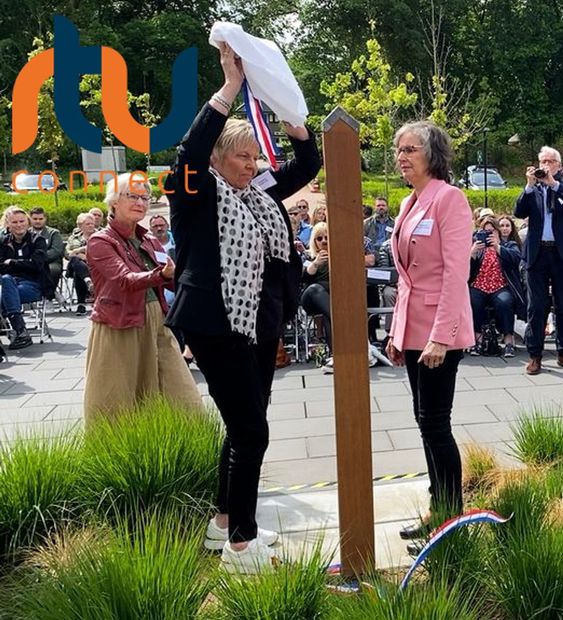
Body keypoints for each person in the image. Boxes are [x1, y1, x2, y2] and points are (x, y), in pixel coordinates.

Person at [164, 42, 320, 574]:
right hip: (217, 325)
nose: (251, 165)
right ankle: (241, 546)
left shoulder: (258, 193)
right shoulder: (193, 190)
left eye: (255, 157)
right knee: (253, 431)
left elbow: (309, 162)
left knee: (242, 426)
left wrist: (291, 113)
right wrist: (231, 87)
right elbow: (187, 154)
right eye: (241, 156)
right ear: (217, 159)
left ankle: (225, 522)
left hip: (258, 328)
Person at [384, 120, 475, 544]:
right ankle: (437, 508)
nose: (402, 157)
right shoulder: (408, 203)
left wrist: (440, 335)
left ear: (433, 154)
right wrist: (397, 332)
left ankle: (449, 518)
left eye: (410, 150)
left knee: (436, 423)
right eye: (399, 150)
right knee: (425, 423)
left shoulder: (448, 199)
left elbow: (456, 274)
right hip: (414, 330)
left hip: (441, 332)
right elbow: (407, 278)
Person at [83, 173, 201, 421]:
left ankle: (191, 449)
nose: (141, 202)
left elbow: (168, 277)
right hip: (119, 324)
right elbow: (124, 279)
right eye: (133, 196)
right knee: (117, 402)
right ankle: (115, 456)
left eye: (145, 198)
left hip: (157, 321)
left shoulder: (148, 239)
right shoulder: (100, 241)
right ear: (114, 201)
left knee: (183, 395)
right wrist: (161, 274)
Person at [514, 146, 563, 375]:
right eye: (542, 161)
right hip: (537, 254)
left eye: (549, 161)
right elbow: (518, 211)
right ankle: (535, 355)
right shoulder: (533, 189)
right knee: (536, 305)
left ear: (558, 165)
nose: (545, 165)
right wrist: (529, 185)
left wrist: (553, 183)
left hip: (560, 254)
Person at [469, 214, 524, 358]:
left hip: (500, 286)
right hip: (478, 284)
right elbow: (465, 270)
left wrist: (497, 247)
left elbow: (516, 259)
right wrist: (472, 253)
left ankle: (508, 341)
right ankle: (477, 340)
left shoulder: (508, 245)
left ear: (497, 232)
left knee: (505, 302)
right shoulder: (476, 248)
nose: (488, 235)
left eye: (491, 232)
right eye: (485, 232)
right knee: (473, 301)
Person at [0, 207, 47, 350]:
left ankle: (17, 330)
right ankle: (20, 330)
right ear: (8, 224)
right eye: (14, 222)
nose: (19, 225)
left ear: (27, 222)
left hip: (32, 285)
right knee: (7, 280)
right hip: (9, 284)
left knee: (6, 286)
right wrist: (24, 264)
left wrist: (13, 262)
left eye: (22, 221)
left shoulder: (38, 240)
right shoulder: (3, 242)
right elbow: (1, 266)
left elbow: (37, 266)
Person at [300, 222, 333, 356]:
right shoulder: (308, 255)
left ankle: (335, 354)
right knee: (315, 288)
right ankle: (338, 319)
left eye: (327, 237)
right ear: (314, 241)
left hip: (331, 299)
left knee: (328, 314)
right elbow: (304, 278)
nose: (323, 241)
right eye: (319, 238)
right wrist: (316, 263)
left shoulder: (338, 255)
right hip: (311, 297)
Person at [28, 207, 64, 299]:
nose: (38, 221)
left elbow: (56, 251)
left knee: (52, 270)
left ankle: (49, 297)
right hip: (30, 263)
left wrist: (39, 258)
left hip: (51, 262)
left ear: (45, 219)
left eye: (40, 219)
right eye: (35, 219)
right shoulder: (26, 233)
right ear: (30, 219)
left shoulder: (54, 233)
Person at [65, 213, 97, 315]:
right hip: (76, 264)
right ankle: (88, 281)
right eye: (88, 224)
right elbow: (68, 253)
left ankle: (81, 305)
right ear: (80, 226)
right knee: (75, 260)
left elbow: (101, 251)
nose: (91, 226)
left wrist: (80, 250)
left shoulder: (99, 235)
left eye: (92, 223)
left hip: (95, 266)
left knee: (78, 274)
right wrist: (80, 256)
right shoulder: (73, 238)